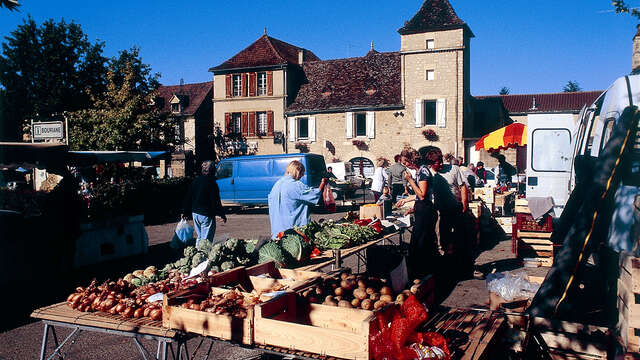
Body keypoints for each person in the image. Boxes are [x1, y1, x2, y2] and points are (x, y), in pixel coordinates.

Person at [429, 149, 475, 279]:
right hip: (442, 211)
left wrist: (465, 204)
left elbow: (462, 186)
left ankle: (467, 268)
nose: (440, 165)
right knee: (443, 241)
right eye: (437, 163)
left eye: (441, 162)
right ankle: (448, 269)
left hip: (457, 208)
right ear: (431, 163)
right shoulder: (430, 173)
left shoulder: (454, 169)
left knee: (462, 239)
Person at [398, 149, 439, 278]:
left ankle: (422, 272)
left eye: (405, 161)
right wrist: (406, 200)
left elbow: (422, 195)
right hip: (423, 209)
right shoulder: (420, 171)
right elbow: (419, 194)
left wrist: (410, 180)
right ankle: (424, 270)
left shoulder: (423, 171)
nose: (404, 165)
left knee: (420, 242)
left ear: (411, 160)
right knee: (420, 241)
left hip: (425, 211)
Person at [268, 160, 328, 239]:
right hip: (292, 231)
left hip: (277, 231)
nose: (302, 175)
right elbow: (314, 194)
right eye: (302, 173)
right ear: (297, 171)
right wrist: (323, 182)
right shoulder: (295, 185)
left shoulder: (277, 184)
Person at [183, 161, 227, 245]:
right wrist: (222, 214)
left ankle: (196, 254)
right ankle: (203, 256)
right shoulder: (212, 183)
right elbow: (216, 200)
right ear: (212, 170)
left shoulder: (196, 181)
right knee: (206, 240)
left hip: (195, 213)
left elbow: (189, 197)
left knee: (199, 237)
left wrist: (185, 212)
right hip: (206, 214)